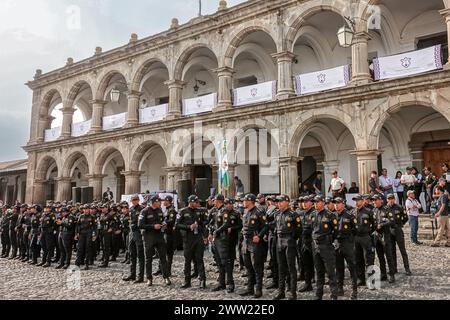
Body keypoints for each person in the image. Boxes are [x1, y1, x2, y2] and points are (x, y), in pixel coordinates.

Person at [209, 197, 242, 293]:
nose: (229, 205)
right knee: (219, 262)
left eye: (231, 204)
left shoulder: (226, 212)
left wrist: (217, 231)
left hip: (225, 239)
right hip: (217, 239)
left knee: (226, 262)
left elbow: (227, 223)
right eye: (228, 203)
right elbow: (213, 223)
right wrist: (211, 232)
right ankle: (221, 283)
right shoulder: (216, 211)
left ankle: (230, 283)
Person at [175, 195, 208, 289]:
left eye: (198, 202)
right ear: (190, 202)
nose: (197, 204)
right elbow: (177, 224)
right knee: (187, 261)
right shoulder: (182, 211)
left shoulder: (201, 211)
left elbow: (205, 223)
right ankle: (187, 281)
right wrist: (189, 227)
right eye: (196, 202)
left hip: (198, 238)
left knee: (199, 259)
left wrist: (204, 234)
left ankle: (202, 280)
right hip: (187, 239)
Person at [272, 195, 302, 300]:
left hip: (289, 241)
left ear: (287, 202)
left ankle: (292, 292)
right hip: (279, 241)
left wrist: (292, 238)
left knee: (291, 268)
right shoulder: (277, 213)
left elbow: (299, 230)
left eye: (281, 201)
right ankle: (281, 291)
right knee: (281, 267)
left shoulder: (293, 214)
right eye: (278, 202)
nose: (279, 203)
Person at [239, 193, 268, 299]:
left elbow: (265, 226)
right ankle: (250, 289)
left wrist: (259, 236)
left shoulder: (259, 212)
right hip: (246, 242)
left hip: (255, 243)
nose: (243, 202)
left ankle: (258, 290)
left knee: (257, 267)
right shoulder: (246, 212)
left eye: (245, 200)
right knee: (248, 267)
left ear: (250, 201)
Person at [139, 195, 171, 287]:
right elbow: (140, 225)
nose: (160, 203)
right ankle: (149, 278)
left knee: (163, 258)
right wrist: (153, 226)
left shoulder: (159, 210)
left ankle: (166, 277)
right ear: (154, 202)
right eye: (158, 202)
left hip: (159, 237)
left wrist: (163, 224)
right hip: (148, 237)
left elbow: (162, 220)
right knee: (148, 259)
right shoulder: (144, 211)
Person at [311, 195, 338, 300]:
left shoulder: (330, 215)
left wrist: (331, 241)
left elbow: (336, 231)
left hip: (326, 246)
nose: (316, 204)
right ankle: (319, 295)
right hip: (316, 246)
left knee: (330, 272)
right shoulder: (313, 215)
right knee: (319, 271)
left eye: (317, 202)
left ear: (322, 202)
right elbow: (312, 229)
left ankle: (333, 295)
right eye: (315, 202)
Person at [333, 197, 358, 299]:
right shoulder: (332, 216)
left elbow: (355, 230)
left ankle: (354, 290)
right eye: (335, 203)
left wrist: (350, 241)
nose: (336, 205)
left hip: (347, 244)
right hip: (337, 244)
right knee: (339, 268)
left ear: (343, 204)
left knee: (351, 267)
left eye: (338, 203)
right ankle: (340, 288)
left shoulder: (350, 216)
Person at [352, 194, 375, 287]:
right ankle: (360, 279)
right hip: (356, 238)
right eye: (355, 200)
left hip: (366, 237)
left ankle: (371, 281)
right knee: (358, 259)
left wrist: (369, 233)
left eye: (358, 200)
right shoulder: (352, 212)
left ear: (362, 201)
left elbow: (374, 224)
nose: (356, 202)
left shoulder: (369, 211)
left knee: (368, 260)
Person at [372, 194, 396, 284]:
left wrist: (382, 224)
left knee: (389, 256)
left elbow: (392, 221)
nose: (374, 202)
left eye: (376, 200)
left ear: (381, 200)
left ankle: (392, 275)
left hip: (385, 236)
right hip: (377, 236)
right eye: (373, 200)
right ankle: (383, 274)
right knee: (380, 257)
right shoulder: (373, 210)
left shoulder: (386, 209)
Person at [385, 194, 411, 275]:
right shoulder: (385, 209)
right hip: (389, 231)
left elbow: (405, 217)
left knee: (402, 250)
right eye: (389, 199)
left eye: (392, 199)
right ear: (387, 200)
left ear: (394, 199)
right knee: (392, 251)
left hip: (398, 230)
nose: (391, 200)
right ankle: (394, 268)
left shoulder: (399, 207)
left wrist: (400, 224)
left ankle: (407, 268)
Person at [123, 195, 145, 283]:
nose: (134, 201)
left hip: (139, 233)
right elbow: (130, 221)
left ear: (138, 200)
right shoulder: (131, 209)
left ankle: (140, 276)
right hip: (132, 232)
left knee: (140, 255)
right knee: (132, 254)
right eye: (132, 200)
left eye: (135, 200)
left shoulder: (142, 209)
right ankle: (132, 274)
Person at [297, 196, 315, 293]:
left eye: (306, 201)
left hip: (313, 241)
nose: (304, 203)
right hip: (304, 241)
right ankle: (308, 284)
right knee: (306, 263)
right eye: (303, 202)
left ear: (311, 203)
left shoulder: (314, 213)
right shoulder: (303, 213)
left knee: (317, 264)